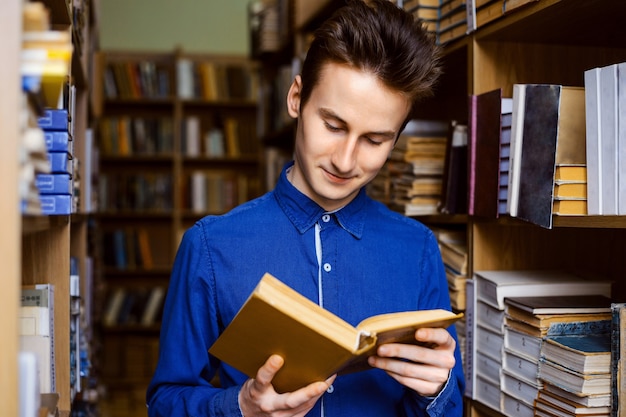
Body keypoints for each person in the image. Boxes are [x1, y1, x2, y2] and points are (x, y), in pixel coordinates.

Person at [146, 0, 465, 415]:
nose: (345, 160)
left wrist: (437, 391)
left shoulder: (418, 249)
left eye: (374, 140)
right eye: (333, 125)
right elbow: (164, 401)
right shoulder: (210, 245)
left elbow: (452, 407)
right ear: (296, 98)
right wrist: (240, 407)